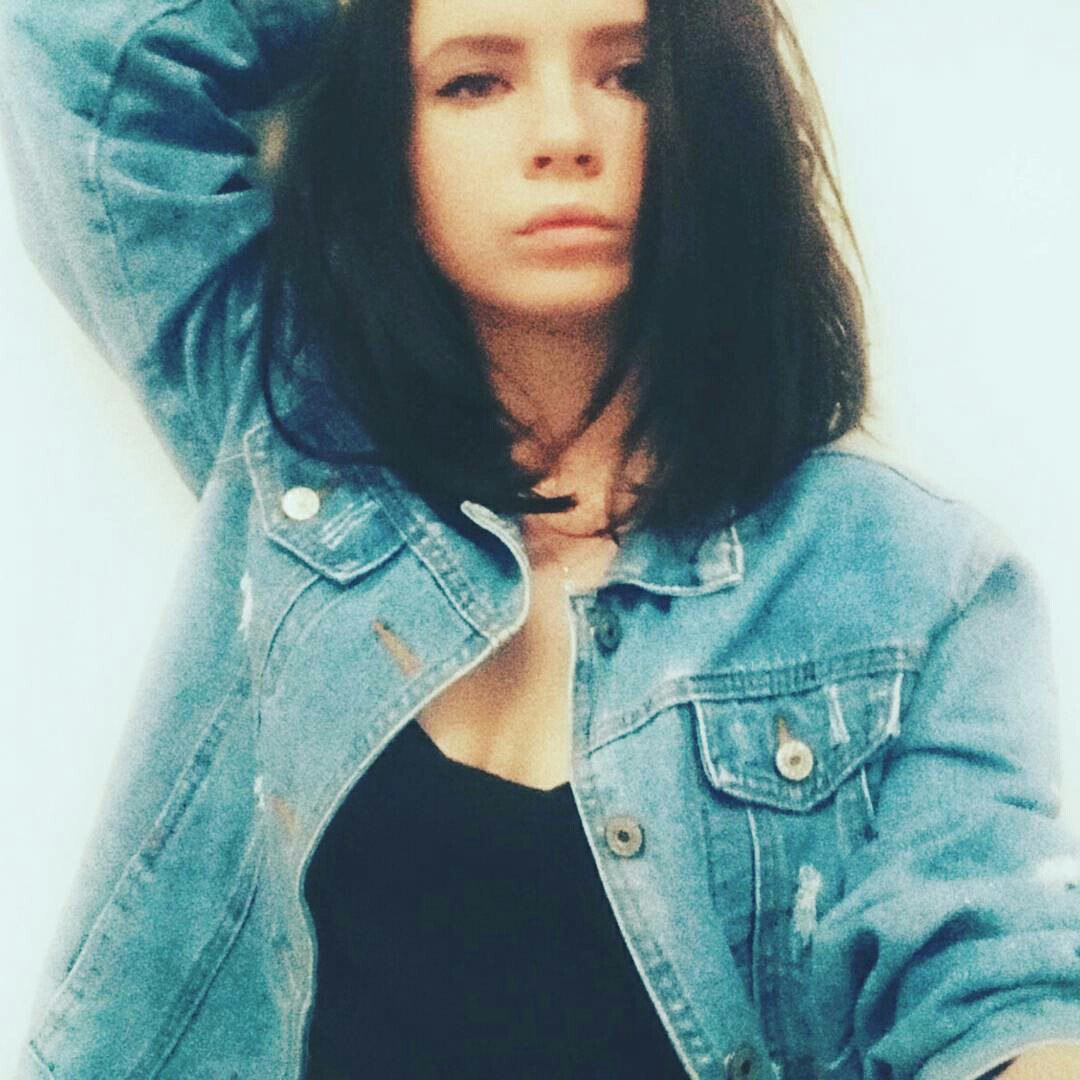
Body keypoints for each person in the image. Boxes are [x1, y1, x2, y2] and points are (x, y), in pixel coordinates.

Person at [2, 0, 1079, 1075]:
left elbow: (993, 978)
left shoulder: (907, 577)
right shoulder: (287, 418)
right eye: (475, 81)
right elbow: (84, 50)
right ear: (390, 133)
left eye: (632, 76)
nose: (564, 135)